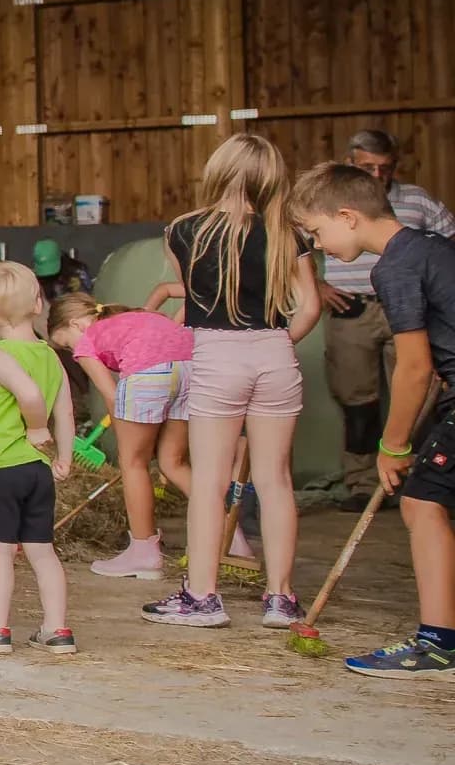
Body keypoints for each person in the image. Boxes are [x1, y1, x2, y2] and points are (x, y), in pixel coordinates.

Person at [142, 134, 321, 630]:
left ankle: (202, 597)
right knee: (275, 479)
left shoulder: (183, 230)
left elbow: (193, 293)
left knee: (210, 481)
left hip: (216, 355)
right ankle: (280, 598)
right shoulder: (288, 232)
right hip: (275, 354)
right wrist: (279, 341)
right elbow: (309, 306)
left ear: (218, 171)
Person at [288, 161, 455, 682]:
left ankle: (438, 644)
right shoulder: (435, 249)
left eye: (317, 231)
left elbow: (414, 367)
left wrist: (394, 444)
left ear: (347, 216)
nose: (317, 245)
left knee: (422, 501)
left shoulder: (394, 266)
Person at [317, 130, 455, 503]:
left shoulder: (413, 217)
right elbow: (294, 250)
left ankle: (421, 478)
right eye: (368, 167)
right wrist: (317, 286)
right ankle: (366, 485)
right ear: (350, 163)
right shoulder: (330, 201)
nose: (378, 175)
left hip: (411, 310)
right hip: (353, 309)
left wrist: (393, 448)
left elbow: (415, 370)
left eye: (385, 167)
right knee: (358, 405)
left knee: (416, 395)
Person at [0, 261, 78, 656]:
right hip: (37, 471)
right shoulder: (50, 356)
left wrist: (35, 427)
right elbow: (66, 411)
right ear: (38, 305)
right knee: (42, 550)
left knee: (0, 551)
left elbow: (31, 396)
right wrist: (64, 456)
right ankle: (56, 630)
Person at [48, 291, 196, 578]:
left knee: (133, 463)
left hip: (148, 374)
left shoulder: (87, 340)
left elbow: (110, 394)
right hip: (190, 368)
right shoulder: (138, 315)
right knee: (174, 462)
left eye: (66, 343)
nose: (72, 350)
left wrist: (124, 434)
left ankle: (144, 553)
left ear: (76, 323)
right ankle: (230, 537)